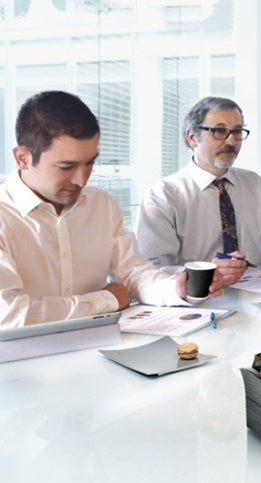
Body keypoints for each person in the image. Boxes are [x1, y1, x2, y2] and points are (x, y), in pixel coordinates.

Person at [0, 91, 220, 328]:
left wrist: (177, 288)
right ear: (22, 158)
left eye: (90, 162)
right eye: (67, 166)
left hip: (101, 351)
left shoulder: (100, 204)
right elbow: (11, 315)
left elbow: (134, 273)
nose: (81, 179)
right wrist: (106, 300)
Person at [135, 97, 261, 287]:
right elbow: (150, 270)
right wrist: (206, 273)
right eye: (219, 131)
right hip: (195, 304)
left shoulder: (254, 185)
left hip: (258, 297)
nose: (231, 141)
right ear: (192, 137)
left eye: (237, 132)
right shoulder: (162, 197)